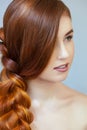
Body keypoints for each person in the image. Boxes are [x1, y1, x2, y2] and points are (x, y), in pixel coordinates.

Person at [0, 0, 87, 130]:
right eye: (50, 43)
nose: (65, 54)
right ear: (20, 47)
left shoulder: (83, 110)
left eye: (68, 38)